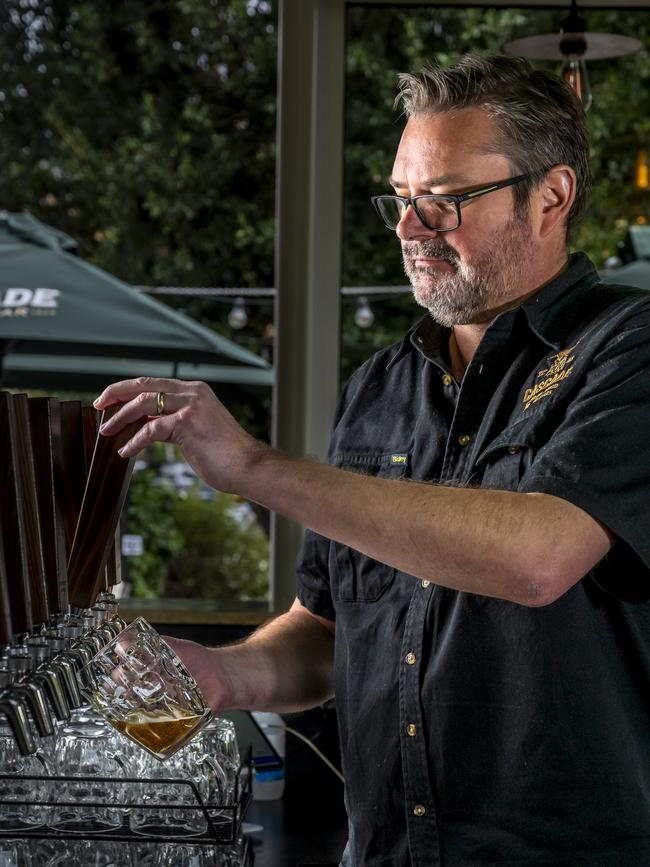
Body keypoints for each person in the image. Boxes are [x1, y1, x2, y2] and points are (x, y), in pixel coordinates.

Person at [96, 55, 650, 866]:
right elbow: (325, 632)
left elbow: (539, 556)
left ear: (552, 196)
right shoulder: (380, 386)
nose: (409, 229)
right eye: (400, 199)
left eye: (445, 200)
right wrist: (222, 674)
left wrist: (251, 464)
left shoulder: (627, 349)